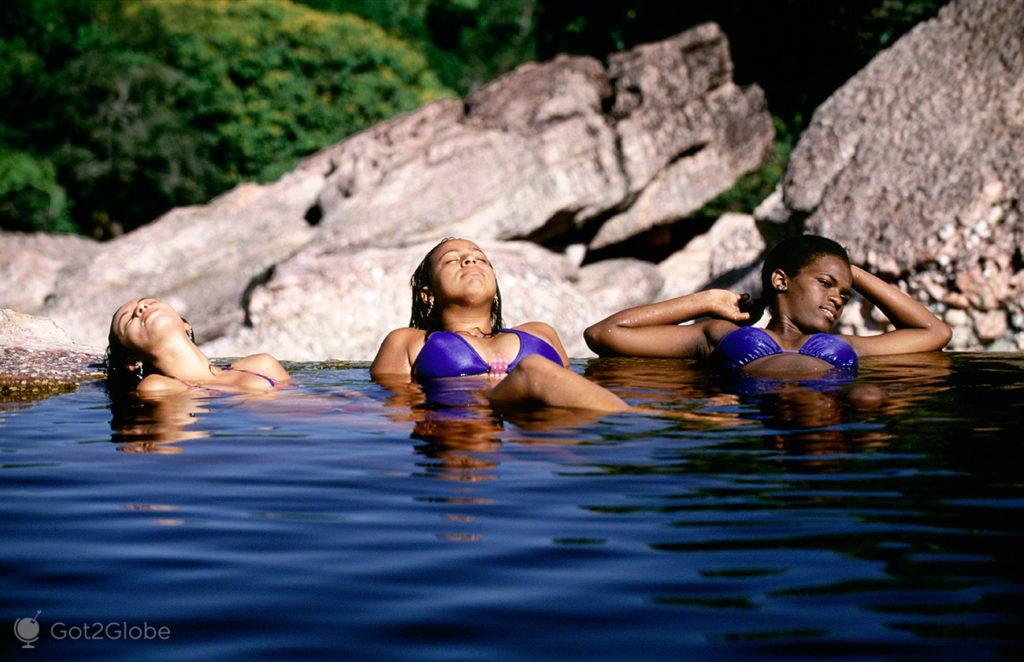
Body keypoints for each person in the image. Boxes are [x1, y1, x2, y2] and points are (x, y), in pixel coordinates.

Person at [584, 234, 951, 375]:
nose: (837, 298)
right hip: (761, 424)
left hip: (834, 426)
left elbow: (935, 332)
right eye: (825, 283)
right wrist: (706, 299)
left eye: (844, 294)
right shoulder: (717, 333)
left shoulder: (852, 346)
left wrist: (849, 271)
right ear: (781, 280)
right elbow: (603, 334)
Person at [370, 238, 628, 411]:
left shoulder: (540, 332)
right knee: (533, 368)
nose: (470, 261)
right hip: (467, 423)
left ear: (494, 290)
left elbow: (572, 385)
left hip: (541, 429)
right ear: (428, 295)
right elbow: (397, 411)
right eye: (451, 260)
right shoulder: (408, 342)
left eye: (480, 259)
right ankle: (634, 417)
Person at [106, 297, 289, 394]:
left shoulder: (261, 364)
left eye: (150, 302)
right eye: (128, 320)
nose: (141, 308)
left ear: (185, 324)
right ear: (131, 359)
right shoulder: (157, 387)